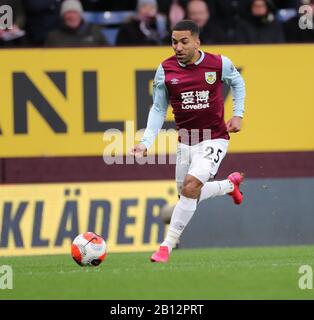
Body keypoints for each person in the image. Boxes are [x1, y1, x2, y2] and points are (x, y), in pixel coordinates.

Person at [131, 20, 246, 263]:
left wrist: (238, 113)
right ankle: (228, 186)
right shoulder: (165, 69)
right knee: (186, 194)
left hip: (214, 138)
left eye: (184, 41)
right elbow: (158, 108)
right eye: (174, 42)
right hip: (186, 142)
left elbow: (238, 82)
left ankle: (165, 247)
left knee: (190, 188)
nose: (178, 47)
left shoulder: (218, 63)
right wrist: (145, 142)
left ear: (197, 41)